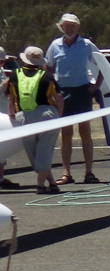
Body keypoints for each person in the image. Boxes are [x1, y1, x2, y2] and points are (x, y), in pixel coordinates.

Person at [45, 13, 101, 185]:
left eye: (73, 26)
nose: (70, 29)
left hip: (82, 91)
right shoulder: (55, 45)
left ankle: (89, 173)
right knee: (66, 132)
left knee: (85, 131)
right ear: (61, 27)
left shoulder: (86, 45)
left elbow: (103, 65)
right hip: (63, 92)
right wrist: (53, 88)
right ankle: (66, 173)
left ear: (78, 28)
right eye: (66, 26)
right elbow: (48, 67)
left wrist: (96, 85)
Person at [5, 46, 63, 194]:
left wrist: (11, 114)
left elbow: (11, 98)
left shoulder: (14, 74)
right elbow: (58, 97)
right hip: (46, 114)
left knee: (33, 153)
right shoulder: (47, 76)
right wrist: (60, 116)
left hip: (23, 116)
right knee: (45, 150)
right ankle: (40, 185)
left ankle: (51, 183)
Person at [0, 47, 24, 191]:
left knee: (3, 149)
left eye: (3, 61)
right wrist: (5, 84)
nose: (2, 64)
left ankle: (1, 178)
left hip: (3, 112)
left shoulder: (1, 71)